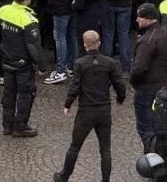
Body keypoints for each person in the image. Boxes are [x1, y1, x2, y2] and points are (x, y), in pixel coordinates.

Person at [53, 30, 126, 182]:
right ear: (99, 43)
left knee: (75, 146)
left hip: (86, 111)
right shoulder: (110, 63)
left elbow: (75, 86)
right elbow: (119, 84)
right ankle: (105, 180)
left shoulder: (80, 63)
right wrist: (120, 98)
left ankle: (64, 176)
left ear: (85, 45)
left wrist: (68, 104)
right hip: (104, 110)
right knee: (105, 150)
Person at [0, 0, 46, 138]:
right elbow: (34, 46)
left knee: (9, 93)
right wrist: (42, 66)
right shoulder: (28, 19)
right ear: (26, 0)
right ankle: (20, 126)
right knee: (25, 94)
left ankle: (7, 126)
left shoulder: (2, 11)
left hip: (6, 61)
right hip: (23, 65)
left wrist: (2, 49)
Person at [131, 3, 167, 150]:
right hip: (162, 85)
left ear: (149, 19)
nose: (137, 20)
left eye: (140, 17)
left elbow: (139, 68)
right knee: (158, 123)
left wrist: (133, 82)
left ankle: (151, 154)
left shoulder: (147, 40)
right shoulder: (165, 33)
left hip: (146, 87)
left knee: (145, 126)